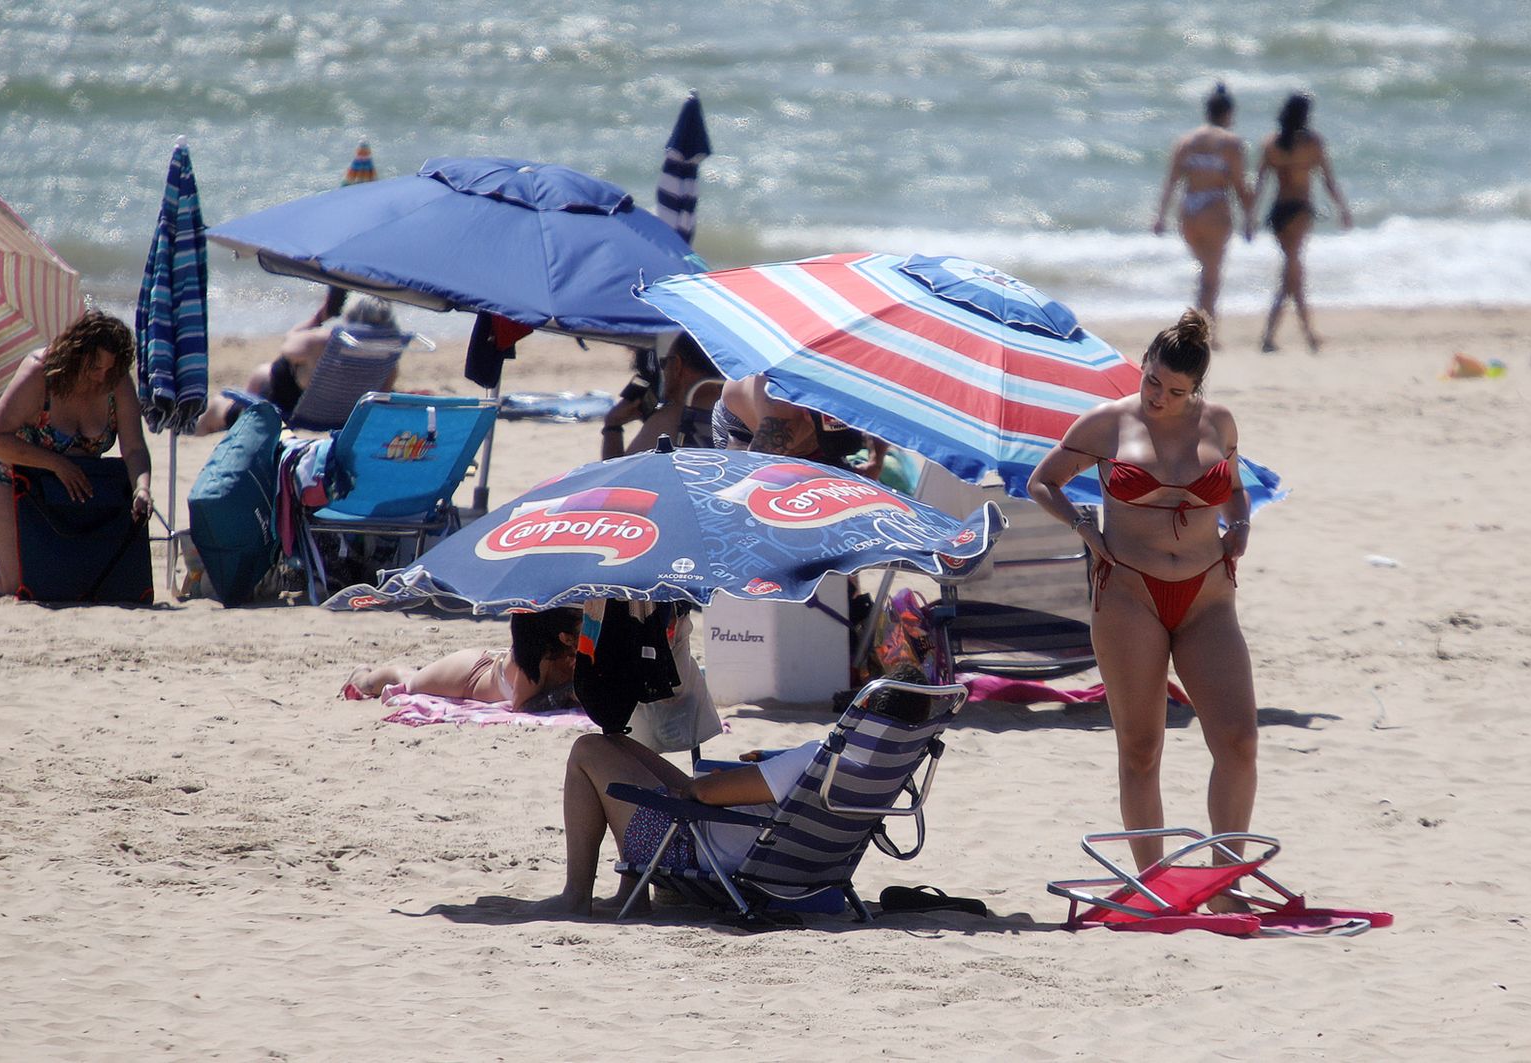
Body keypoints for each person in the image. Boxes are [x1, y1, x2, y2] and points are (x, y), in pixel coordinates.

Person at [1025, 310, 1257, 888]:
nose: (1158, 396)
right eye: (1152, 380)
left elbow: (1232, 488)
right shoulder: (1106, 424)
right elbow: (1043, 481)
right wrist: (1085, 527)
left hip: (1208, 597)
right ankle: (1154, 884)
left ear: (1195, 388)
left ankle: (1223, 884)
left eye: (1175, 390)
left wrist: (1242, 526)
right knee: (1141, 745)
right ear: (1144, 365)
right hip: (1130, 595)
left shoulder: (1220, 423)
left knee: (1239, 740)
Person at [521, 663, 933, 917]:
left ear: (861, 709)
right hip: (804, 870)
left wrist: (708, 784)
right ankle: (632, 896)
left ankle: (576, 895)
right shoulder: (880, 768)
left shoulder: (817, 757)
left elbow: (707, 797)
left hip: (694, 847)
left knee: (588, 748)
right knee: (620, 744)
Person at [0, 310, 153, 597]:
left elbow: (134, 448)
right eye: (94, 368)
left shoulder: (116, 380)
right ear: (76, 354)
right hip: (6, 475)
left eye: (109, 369)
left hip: (67, 491)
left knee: (79, 579)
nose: (101, 377)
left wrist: (142, 488)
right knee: (14, 584)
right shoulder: (40, 372)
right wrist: (56, 463)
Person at [193, 292, 402, 434]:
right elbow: (380, 399)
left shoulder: (322, 342)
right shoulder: (388, 358)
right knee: (263, 374)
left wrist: (320, 317)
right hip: (345, 423)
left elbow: (288, 343)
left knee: (218, 405)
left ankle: (194, 438)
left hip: (287, 419)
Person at [1254, 92, 1352, 353]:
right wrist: (1342, 208)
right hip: (1299, 211)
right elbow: (1328, 180)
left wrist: (1250, 218)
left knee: (1293, 273)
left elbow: (1260, 184)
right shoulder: (1312, 143)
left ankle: (1302, 335)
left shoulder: (1272, 144)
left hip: (1279, 212)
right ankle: (1281, 336)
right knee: (1293, 274)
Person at [1152, 82, 1254, 330]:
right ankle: (1204, 331)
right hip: (1214, 208)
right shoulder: (1231, 143)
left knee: (1204, 273)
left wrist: (1160, 217)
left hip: (1188, 211)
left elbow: (1171, 183)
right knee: (1211, 275)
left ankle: (1199, 325)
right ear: (1228, 114)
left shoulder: (1186, 142)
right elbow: (1240, 186)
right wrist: (1249, 218)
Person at [344, 607, 583, 710]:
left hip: (488, 663)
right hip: (468, 676)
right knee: (407, 681)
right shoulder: (538, 659)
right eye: (581, 625)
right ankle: (361, 678)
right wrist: (567, 691)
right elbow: (521, 706)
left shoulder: (571, 651)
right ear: (564, 637)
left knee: (411, 678)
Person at [716, 373, 886, 477]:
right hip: (742, 423)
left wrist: (876, 462)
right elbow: (747, 478)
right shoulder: (779, 419)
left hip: (796, 425)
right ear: (807, 414)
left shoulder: (863, 388)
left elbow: (885, 419)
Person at [599, 333, 724, 459]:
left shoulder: (672, 416)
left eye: (663, 363)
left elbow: (620, 475)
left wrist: (612, 425)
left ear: (677, 365)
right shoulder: (733, 407)